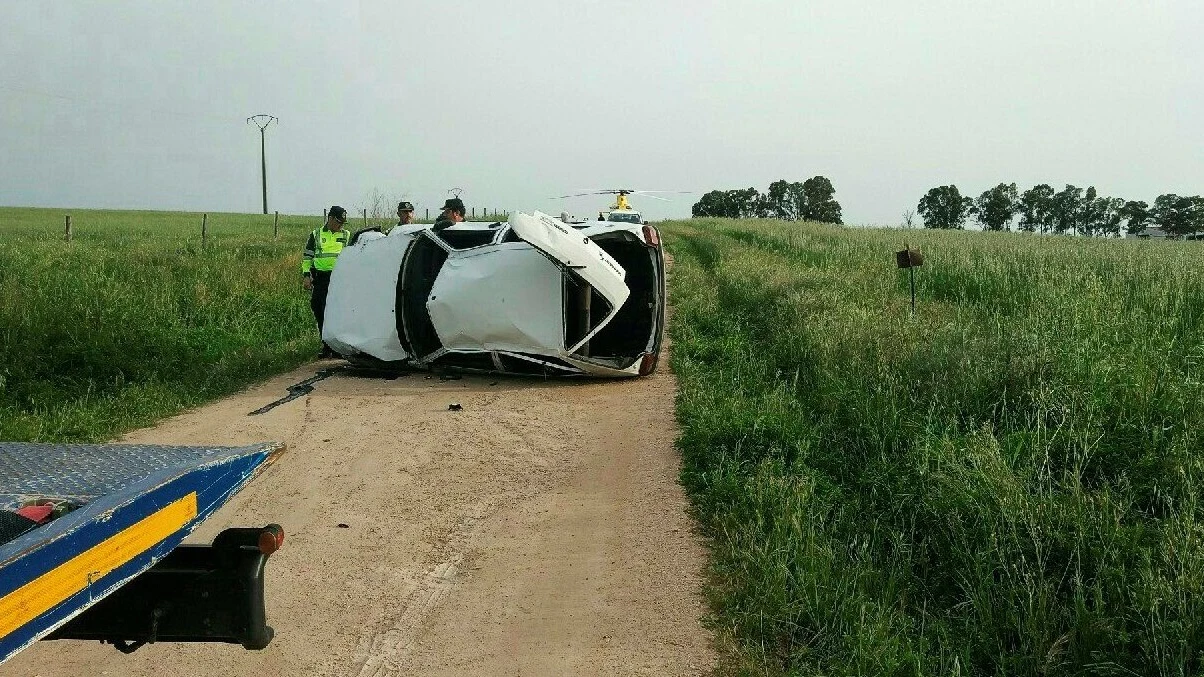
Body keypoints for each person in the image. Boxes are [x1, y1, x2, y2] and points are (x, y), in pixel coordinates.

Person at [301, 205, 351, 358]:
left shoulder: (346, 235)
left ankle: (339, 346)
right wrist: (306, 275)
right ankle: (327, 345)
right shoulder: (316, 234)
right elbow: (307, 257)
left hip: (339, 279)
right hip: (321, 278)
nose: (340, 225)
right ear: (330, 218)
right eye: (338, 222)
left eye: (342, 222)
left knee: (338, 312)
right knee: (319, 307)